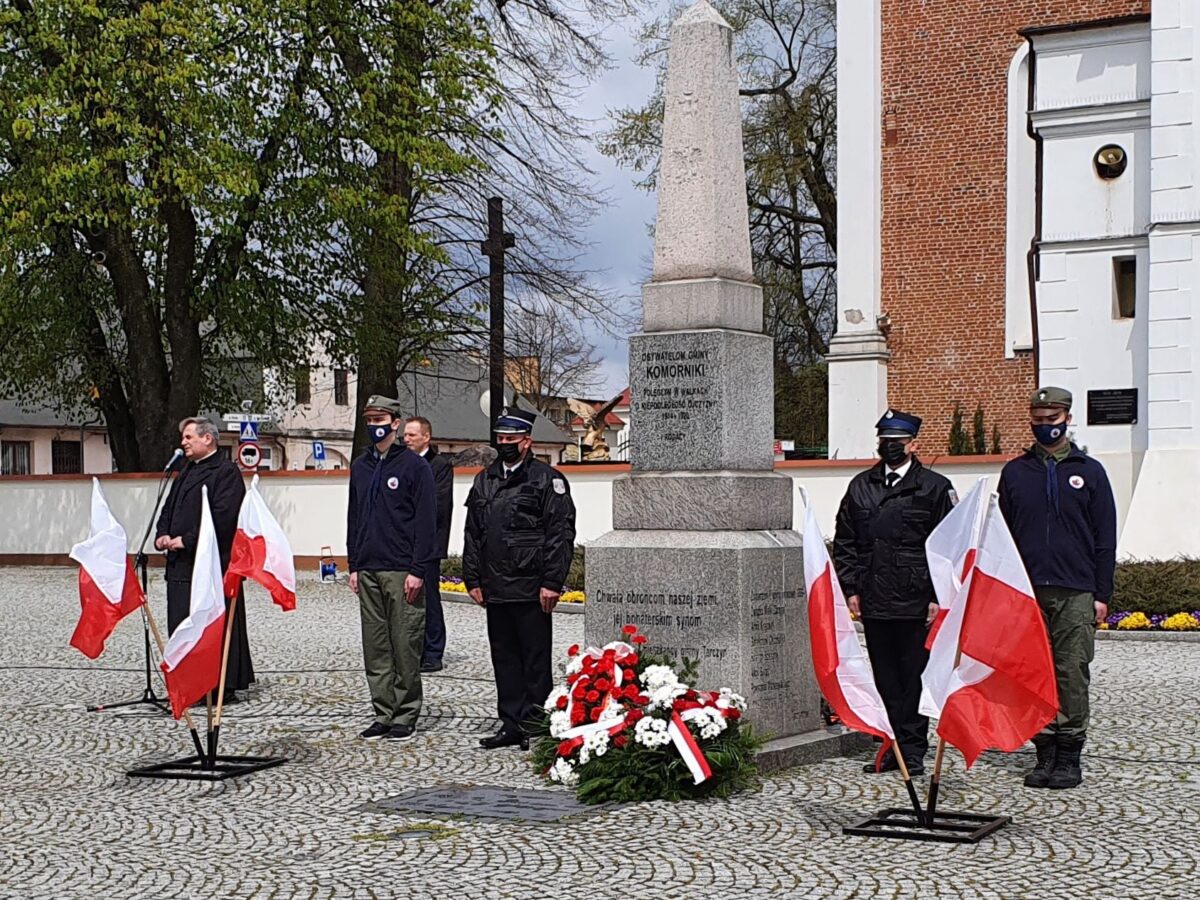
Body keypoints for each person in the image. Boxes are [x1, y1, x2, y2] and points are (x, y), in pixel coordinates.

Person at [999, 387, 1116, 790]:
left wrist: (1102, 593)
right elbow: (1004, 535)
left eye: (1052, 419)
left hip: (1075, 589)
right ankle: (1043, 751)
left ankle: (1069, 755)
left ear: (1067, 418)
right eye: (1038, 419)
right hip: (1027, 591)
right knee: (1033, 673)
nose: (1044, 426)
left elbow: (1104, 537)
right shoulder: (1015, 472)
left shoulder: (1091, 471)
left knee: (1070, 672)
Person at [833, 409, 955, 776]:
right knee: (885, 677)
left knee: (913, 676)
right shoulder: (860, 486)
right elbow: (846, 541)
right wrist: (851, 587)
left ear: (913, 444)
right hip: (874, 598)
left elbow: (948, 546)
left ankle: (913, 748)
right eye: (885, 442)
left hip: (918, 601)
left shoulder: (934, 487)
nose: (890, 448)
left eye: (897, 443)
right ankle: (890, 747)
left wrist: (939, 595)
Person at [463, 407, 576, 750]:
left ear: (527, 441)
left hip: (531, 586)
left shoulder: (547, 479)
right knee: (505, 658)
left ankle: (536, 723)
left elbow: (560, 533)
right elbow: (473, 533)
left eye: (512, 439)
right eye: (501, 439)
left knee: (534, 658)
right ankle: (511, 724)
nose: (505, 444)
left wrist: (553, 582)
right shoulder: (486, 479)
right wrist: (472, 578)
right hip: (496, 586)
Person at [347, 396, 438, 742]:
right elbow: (353, 516)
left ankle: (406, 712)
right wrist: (354, 563)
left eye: (380, 418)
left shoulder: (415, 467)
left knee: (405, 643)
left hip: (402, 569)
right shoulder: (361, 466)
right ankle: (383, 711)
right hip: (368, 566)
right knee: (376, 645)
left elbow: (427, 523)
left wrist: (419, 569)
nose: (374, 425)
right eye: (369, 420)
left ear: (396, 423)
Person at [155, 416, 253, 700]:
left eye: (188, 437)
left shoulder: (225, 472)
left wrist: (186, 540)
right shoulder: (185, 471)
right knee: (182, 620)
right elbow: (168, 508)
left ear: (207, 438)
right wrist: (162, 535)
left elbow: (224, 516)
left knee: (212, 624)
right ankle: (187, 681)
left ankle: (219, 685)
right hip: (180, 565)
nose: (182, 443)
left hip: (211, 564)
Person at [403, 416, 454, 673]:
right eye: (405, 435)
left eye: (412, 435)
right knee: (405, 598)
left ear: (426, 437)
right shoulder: (400, 464)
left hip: (428, 544)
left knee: (429, 598)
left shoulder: (440, 465)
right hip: (401, 544)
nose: (406, 439)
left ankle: (433, 651)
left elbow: (437, 505)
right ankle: (411, 648)